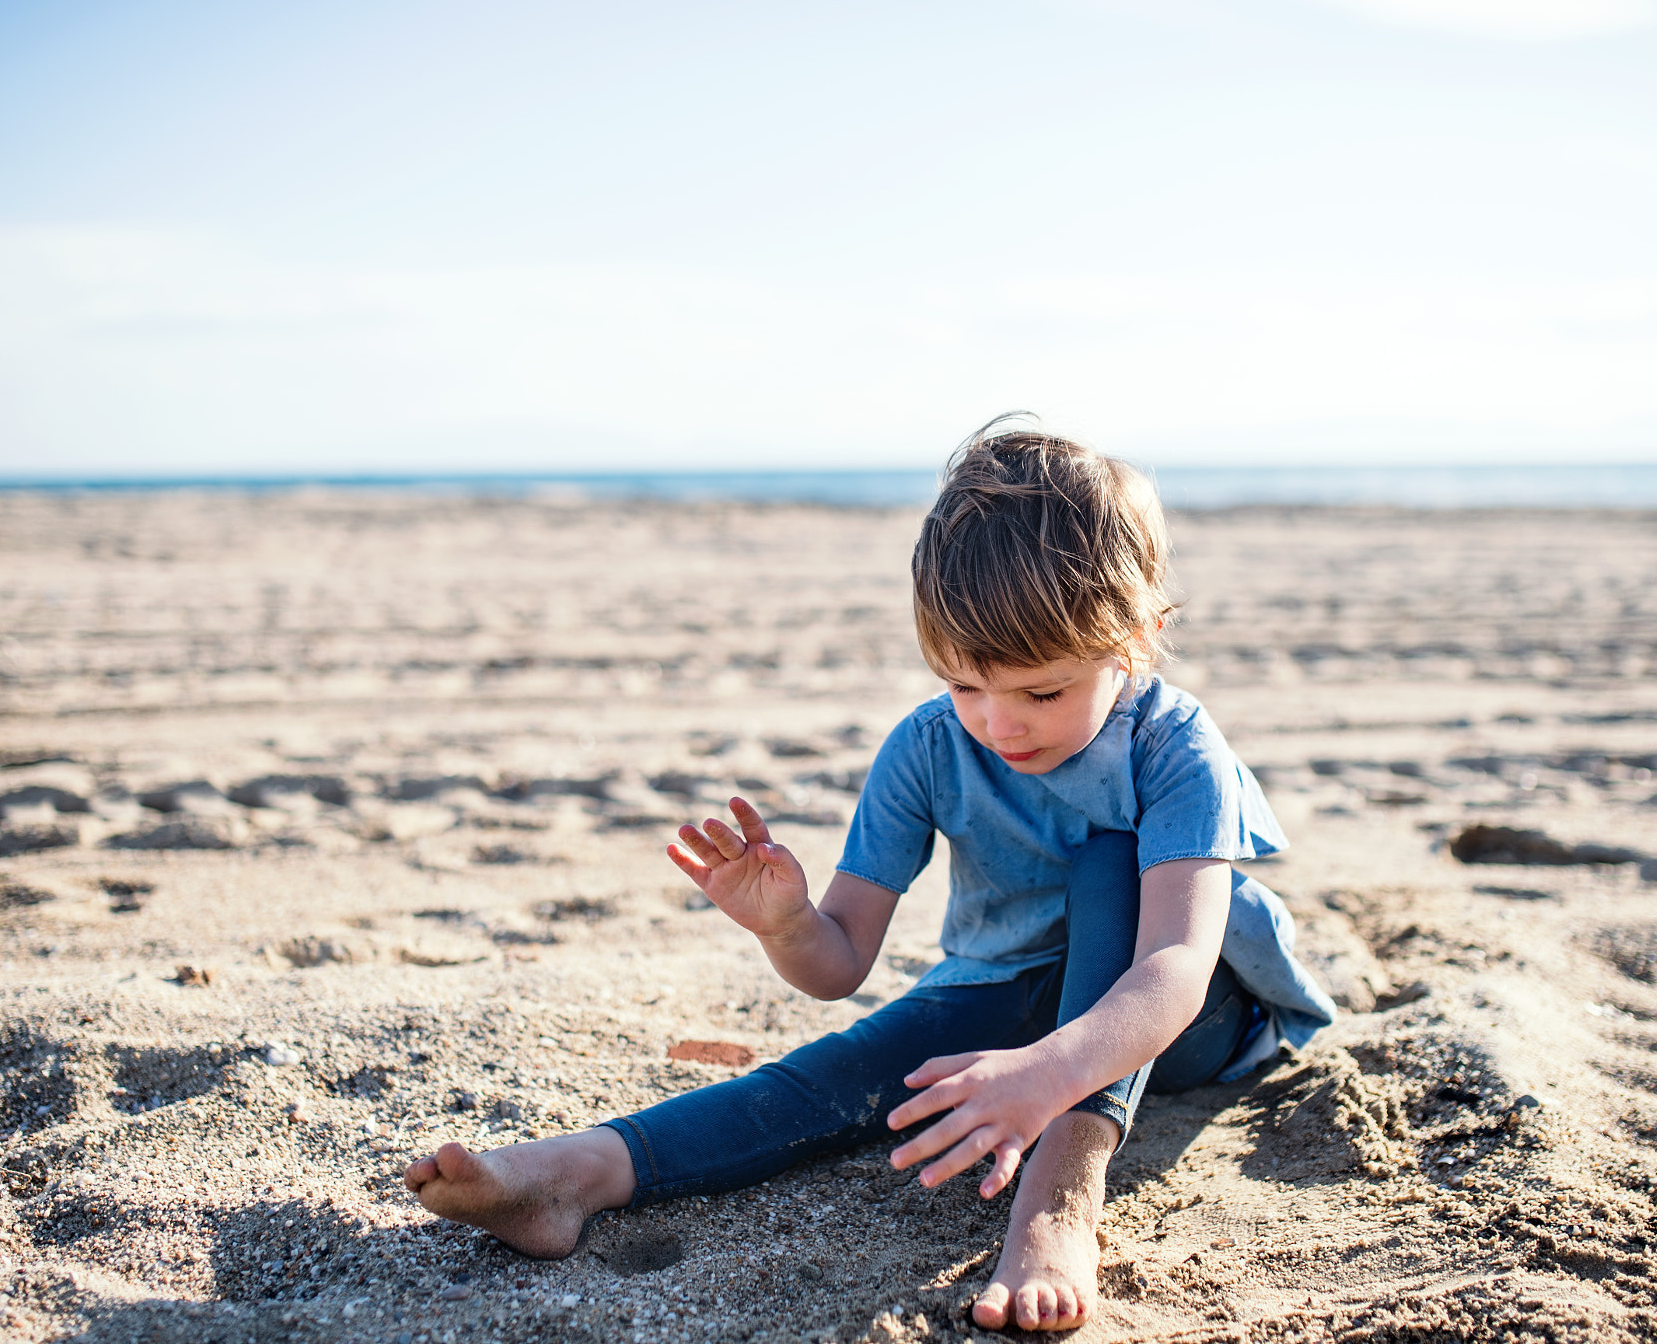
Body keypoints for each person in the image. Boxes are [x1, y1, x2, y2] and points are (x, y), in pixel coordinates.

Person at [406, 415, 1337, 1332]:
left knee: (1107, 860)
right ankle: (571, 1176)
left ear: (1137, 640)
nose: (999, 725)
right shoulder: (929, 747)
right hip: (1004, 1001)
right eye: (965, 684)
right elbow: (839, 963)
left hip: (1184, 1025)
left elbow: (1172, 968)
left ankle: (1058, 1206)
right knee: (831, 1075)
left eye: (1041, 691)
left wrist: (1049, 1073)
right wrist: (785, 923)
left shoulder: (1174, 747)